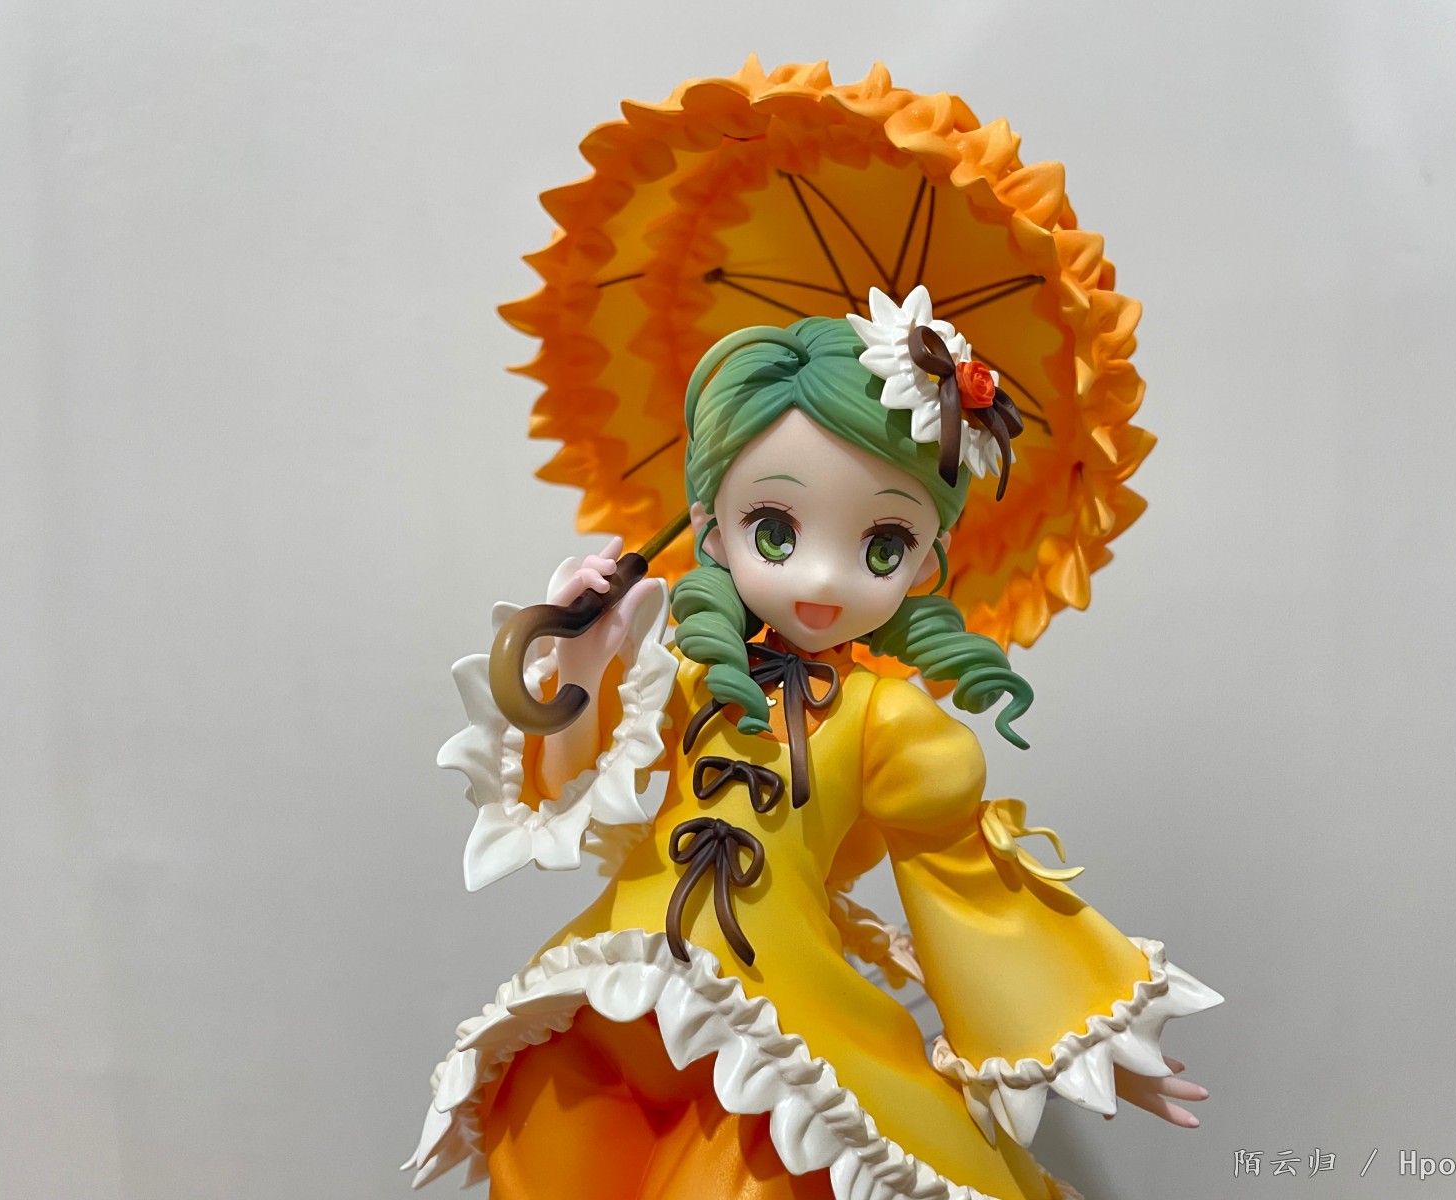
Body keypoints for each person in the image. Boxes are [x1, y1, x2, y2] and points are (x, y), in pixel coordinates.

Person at [406, 288, 1221, 1200]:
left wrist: (1084, 1039)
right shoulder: (673, 679)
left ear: (925, 563)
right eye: (776, 530)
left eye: (882, 545)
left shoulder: (887, 722)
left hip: (770, 1032)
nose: (824, 579)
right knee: (546, 1155)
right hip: (606, 1010)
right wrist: (585, 663)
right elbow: (564, 799)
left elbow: (967, 891)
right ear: (712, 529)